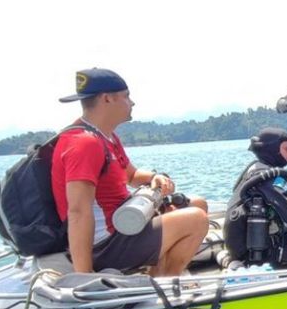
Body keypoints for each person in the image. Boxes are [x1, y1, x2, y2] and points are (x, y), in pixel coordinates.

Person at [51, 68, 208, 276]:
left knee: (197, 203)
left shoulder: (106, 137)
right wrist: (84, 276)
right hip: (105, 245)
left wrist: (154, 177)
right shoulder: (84, 144)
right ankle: (165, 285)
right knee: (196, 219)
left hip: (124, 228)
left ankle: (156, 275)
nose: (132, 103)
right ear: (107, 99)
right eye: (126, 96)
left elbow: (131, 176)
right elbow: (78, 211)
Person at [224, 128, 287, 269]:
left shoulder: (255, 169)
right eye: (286, 148)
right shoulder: (263, 178)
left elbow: (277, 185)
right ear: (273, 150)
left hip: (242, 248)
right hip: (254, 256)